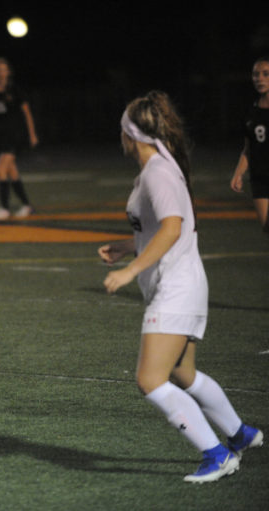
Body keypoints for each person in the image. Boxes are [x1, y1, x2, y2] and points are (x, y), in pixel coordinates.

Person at [98, 91, 263, 483]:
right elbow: (169, 227)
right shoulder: (157, 168)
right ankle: (241, 434)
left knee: (149, 380)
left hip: (176, 288)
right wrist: (126, 247)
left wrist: (129, 270)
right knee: (182, 374)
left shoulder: (157, 171)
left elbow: (172, 228)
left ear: (130, 134)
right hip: (180, 284)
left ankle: (217, 455)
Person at [0, 57, 39, 220]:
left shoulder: (15, 91)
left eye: (3, 69)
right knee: (12, 172)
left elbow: (27, 113)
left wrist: (32, 134)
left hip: (15, 135)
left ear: (8, 72)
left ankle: (5, 208)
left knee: (0, 168)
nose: (0, 72)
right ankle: (27, 206)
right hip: (0, 136)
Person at [230, 56, 269, 235]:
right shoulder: (250, 112)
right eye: (256, 75)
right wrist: (239, 173)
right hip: (260, 178)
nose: (259, 78)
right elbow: (248, 148)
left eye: (265, 74)